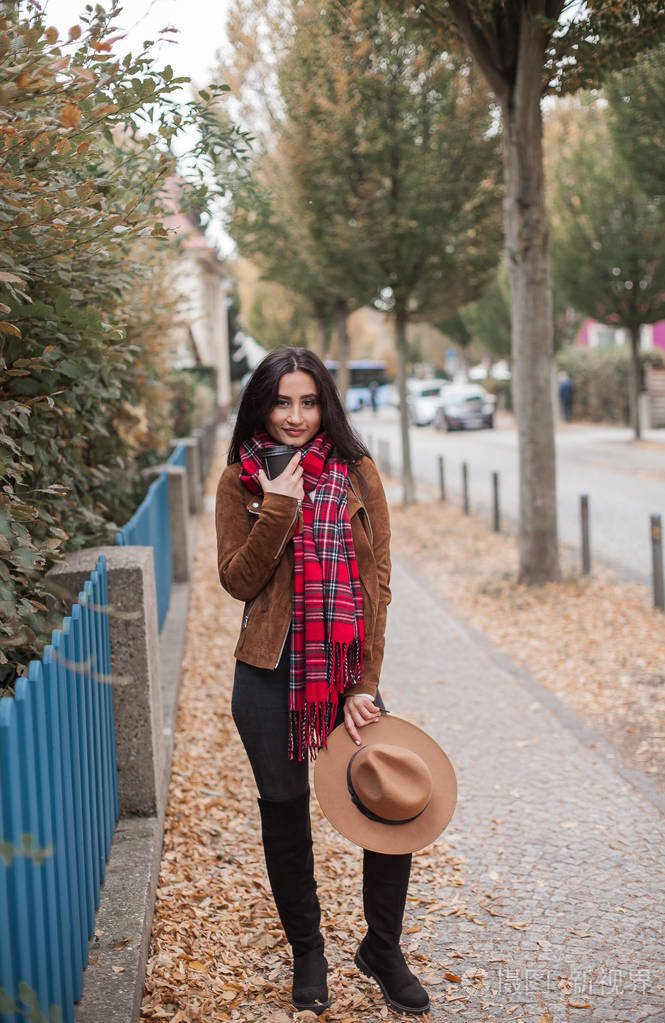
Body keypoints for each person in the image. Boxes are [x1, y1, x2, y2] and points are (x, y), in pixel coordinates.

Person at [215, 347, 430, 1017]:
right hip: (268, 670)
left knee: (391, 800)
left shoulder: (357, 472)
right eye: (282, 401)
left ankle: (382, 948)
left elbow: (378, 585)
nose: (295, 415)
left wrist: (365, 683)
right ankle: (308, 951)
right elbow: (237, 581)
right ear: (261, 405)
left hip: (343, 673)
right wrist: (278, 508)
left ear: (325, 405)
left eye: (308, 402)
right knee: (285, 816)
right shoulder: (240, 480)